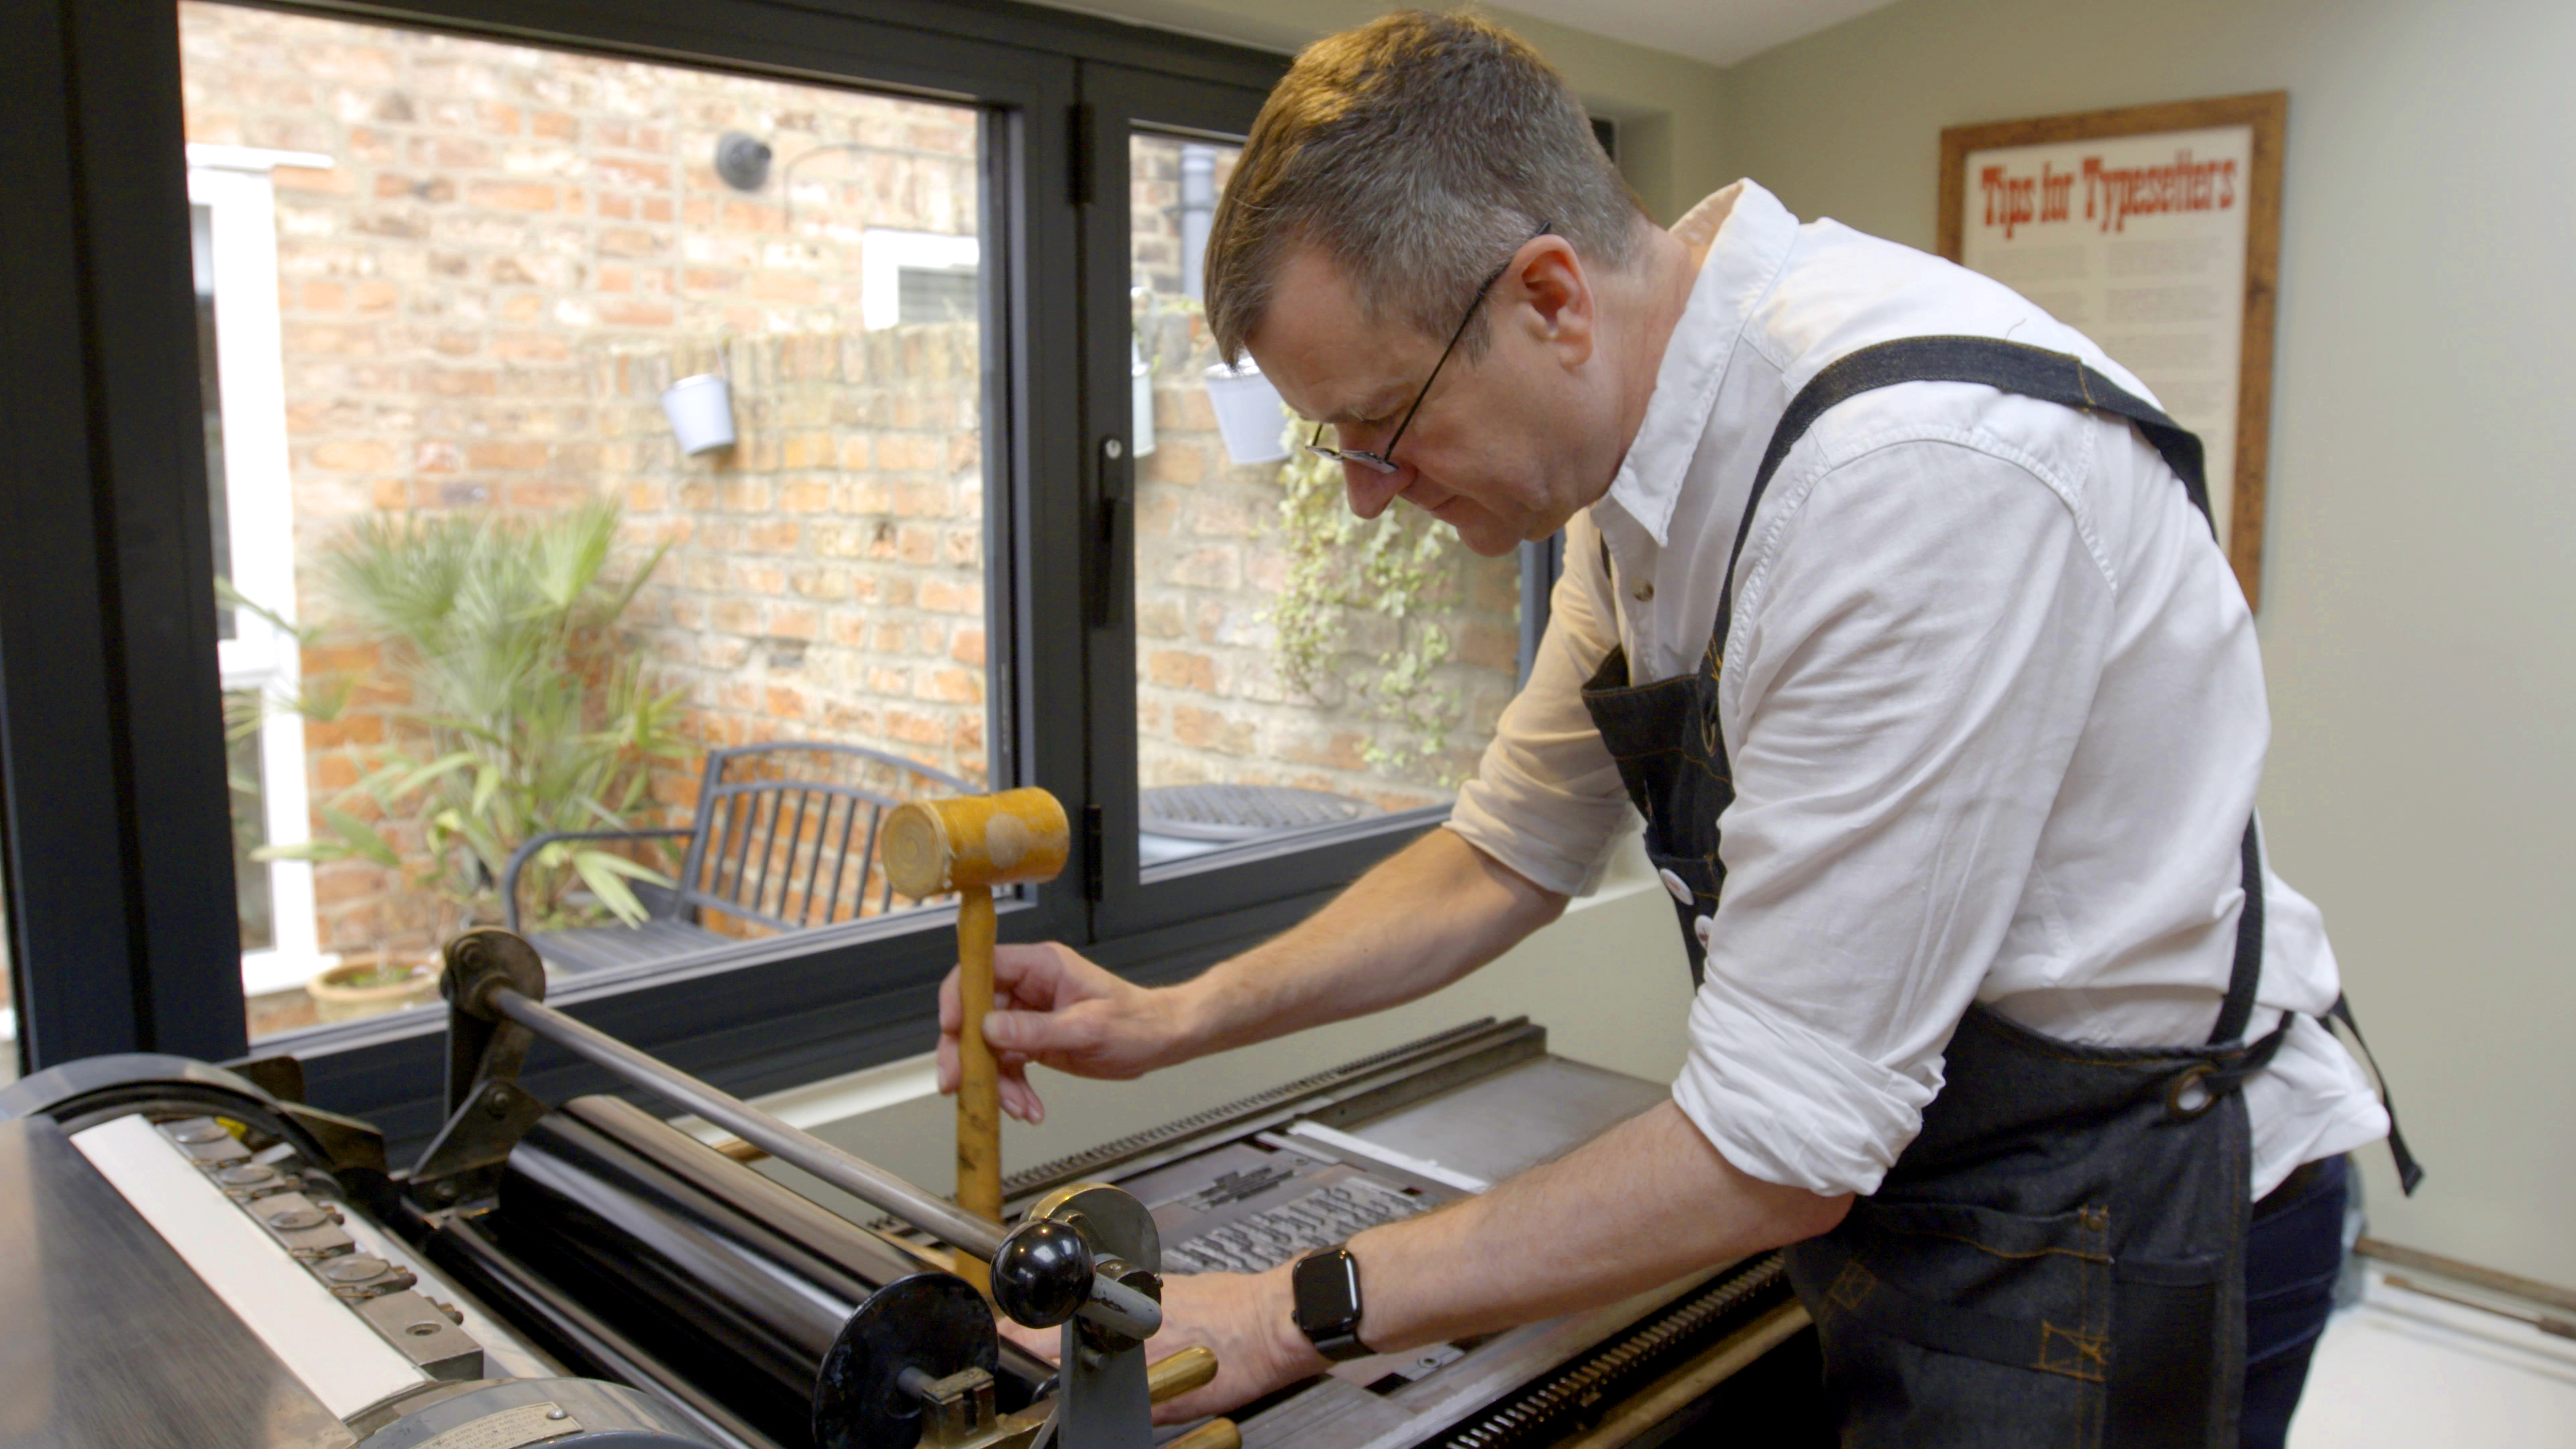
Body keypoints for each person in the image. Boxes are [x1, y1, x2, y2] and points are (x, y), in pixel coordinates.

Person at [938, 11, 2411, 1444]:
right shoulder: (1644, 455)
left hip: (2111, 1203)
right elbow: (1505, 853)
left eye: (1384, 426)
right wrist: (1171, 1017)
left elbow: (1782, 1143)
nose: (1367, 493)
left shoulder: (1909, 485)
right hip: (1912, 1159)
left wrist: (1283, 1311)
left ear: (1552, 300)